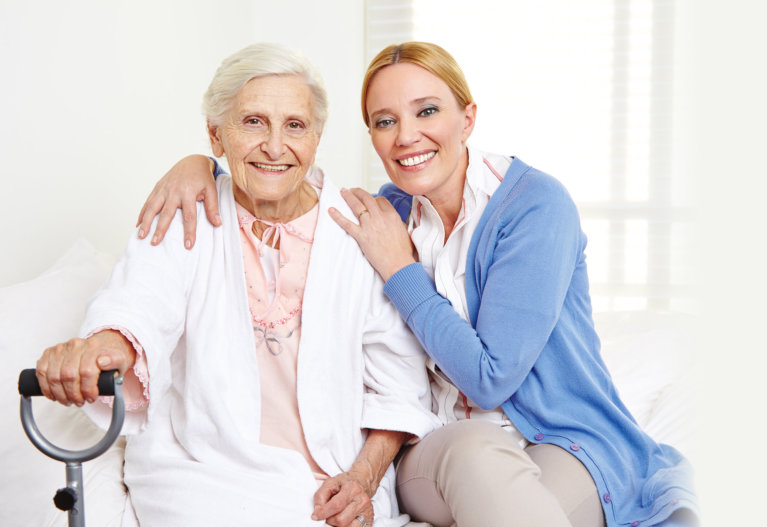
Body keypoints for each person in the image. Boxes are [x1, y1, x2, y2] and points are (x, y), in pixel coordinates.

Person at [136, 42, 699, 527]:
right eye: (384, 121)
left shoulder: (534, 207)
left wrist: (401, 272)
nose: (406, 136)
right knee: (476, 453)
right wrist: (195, 166)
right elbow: (271, 174)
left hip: (564, 443)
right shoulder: (384, 212)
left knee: (518, 503)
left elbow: (489, 379)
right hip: (442, 452)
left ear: (468, 118)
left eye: (427, 111)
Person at [34, 42, 439, 527]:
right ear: (215, 135)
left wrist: (363, 480)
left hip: (329, 486)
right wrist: (98, 349)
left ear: (317, 136)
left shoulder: (360, 230)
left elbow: (398, 384)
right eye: (252, 122)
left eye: (295, 125)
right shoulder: (186, 210)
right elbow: (139, 305)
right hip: (202, 477)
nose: (274, 146)